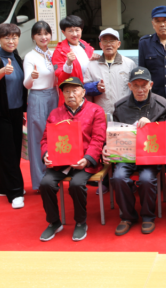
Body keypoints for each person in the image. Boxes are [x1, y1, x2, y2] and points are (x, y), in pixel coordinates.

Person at [104, 68, 166, 237]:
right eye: (136, 85)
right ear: (129, 86)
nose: (140, 90)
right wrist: (107, 146)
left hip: (150, 154)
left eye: (144, 85)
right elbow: (114, 134)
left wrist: (152, 126)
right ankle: (127, 216)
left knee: (147, 179)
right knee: (118, 178)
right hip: (127, 154)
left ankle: (148, 216)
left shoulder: (162, 105)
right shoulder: (120, 107)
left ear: (151, 85)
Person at [39, 77, 106, 242]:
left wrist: (87, 159)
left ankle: (81, 222)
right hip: (60, 161)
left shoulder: (96, 110)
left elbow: (98, 139)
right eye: (67, 91)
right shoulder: (55, 113)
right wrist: (46, 154)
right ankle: (54, 222)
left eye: (74, 90)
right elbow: (45, 139)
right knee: (46, 184)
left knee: (76, 184)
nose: (70, 94)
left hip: (84, 161)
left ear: (83, 92)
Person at [0, 23, 28, 209]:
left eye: (14, 37)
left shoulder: (16, 56)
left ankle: (4, 186)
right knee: (6, 152)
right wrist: (3, 71)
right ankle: (15, 192)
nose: (11, 41)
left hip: (16, 111)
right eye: (7, 37)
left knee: (14, 151)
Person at [23, 21, 58, 192]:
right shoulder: (30, 56)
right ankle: (39, 182)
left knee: (55, 136)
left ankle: (54, 177)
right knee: (37, 138)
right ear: (33, 37)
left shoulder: (52, 54)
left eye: (46, 33)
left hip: (54, 95)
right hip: (37, 97)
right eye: (39, 34)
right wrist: (32, 76)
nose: (43, 37)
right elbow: (26, 84)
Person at [83, 28, 136, 114]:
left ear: (118, 44)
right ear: (100, 45)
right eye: (105, 41)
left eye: (112, 41)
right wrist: (95, 87)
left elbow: (135, 88)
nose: (108, 44)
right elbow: (84, 88)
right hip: (101, 113)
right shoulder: (92, 65)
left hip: (124, 112)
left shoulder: (129, 64)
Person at [52, 15, 100, 104]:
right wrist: (68, 63)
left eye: (77, 30)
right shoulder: (59, 51)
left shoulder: (85, 46)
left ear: (81, 30)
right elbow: (61, 78)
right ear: (63, 32)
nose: (74, 34)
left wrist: (93, 59)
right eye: (70, 31)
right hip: (72, 96)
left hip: (89, 92)